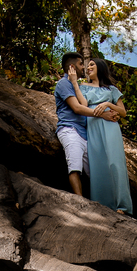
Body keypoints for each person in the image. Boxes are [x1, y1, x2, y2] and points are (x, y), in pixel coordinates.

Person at [70, 57, 132, 215]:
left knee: (115, 163)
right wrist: (75, 83)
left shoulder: (111, 89)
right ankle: (103, 205)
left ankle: (122, 206)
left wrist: (108, 104)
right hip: (93, 126)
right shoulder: (84, 87)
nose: (88, 68)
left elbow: (123, 112)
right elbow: (83, 105)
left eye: (92, 65)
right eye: (87, 66)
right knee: (98, 165)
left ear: (100, 67)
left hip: (110, 127)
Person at [53, 52, 119, 198]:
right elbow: (77, 108)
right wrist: (102, 114)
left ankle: (105, 203)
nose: (83, 67)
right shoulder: (63, 84)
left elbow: (86, 103)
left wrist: (111, 111)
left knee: (96, 171)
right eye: (81, 64)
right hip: (70, 130)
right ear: (72, 66)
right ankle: (81, 202)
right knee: (75, 167)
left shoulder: (79, 86)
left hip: (85, 133)